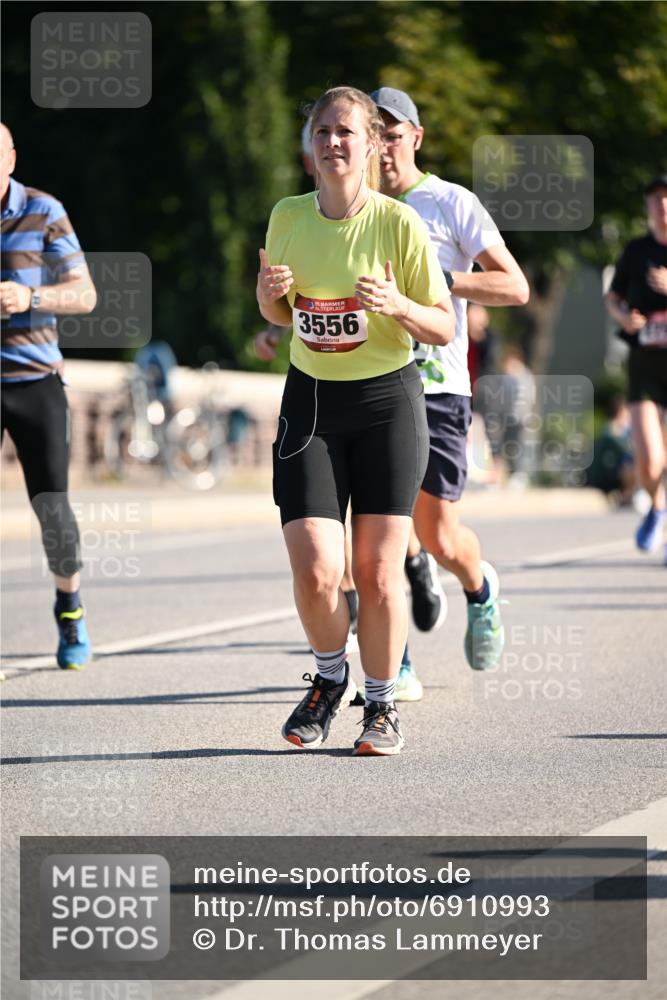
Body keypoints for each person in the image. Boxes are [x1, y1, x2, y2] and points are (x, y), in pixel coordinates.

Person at [257, 86, 454, 755]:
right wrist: (268, 302)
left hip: (385, 407)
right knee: (315, 568)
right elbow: (285, 315)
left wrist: (398, 303)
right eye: (322, 132)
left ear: (371, 144)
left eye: (345, 131)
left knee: (373, 572)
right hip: (310, 402)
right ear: (308, 148)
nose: (333, 142)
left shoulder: (399, 223)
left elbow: (444, 326)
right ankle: (328, 680)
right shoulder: (285, 215)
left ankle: (380, 703)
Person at [369, 87, 529, 697]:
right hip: (374, 383)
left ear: (417, 136)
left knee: (439, 537)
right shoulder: (354, 210)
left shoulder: (449, 202)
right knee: (374, 529)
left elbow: (514, 288)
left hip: (439, 388)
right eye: (372, 131)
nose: (382, 144)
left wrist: (447, 280)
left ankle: (478, 586)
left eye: (393, 131)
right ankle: (396, 665)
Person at [1, 122, 97, 669]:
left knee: (52, 509)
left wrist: (29, 294)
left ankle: (70, 607)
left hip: (35, 380)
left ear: (10, 158)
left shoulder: (43, 210)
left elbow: (84, 294)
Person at [606, 173, 667, 561]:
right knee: (648, 456)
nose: (661, 206)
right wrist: (625, 318)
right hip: (644, 364)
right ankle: (657, 508)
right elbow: (613, 297)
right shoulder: (636, 250)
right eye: (655, 199)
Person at [584, 394, 636, 504]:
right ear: (621, 412)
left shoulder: (609, 429)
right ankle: (626, 496)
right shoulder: (613, 432)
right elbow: (631, 453)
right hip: (602, 478)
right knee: (633, 467)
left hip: (598, 475)